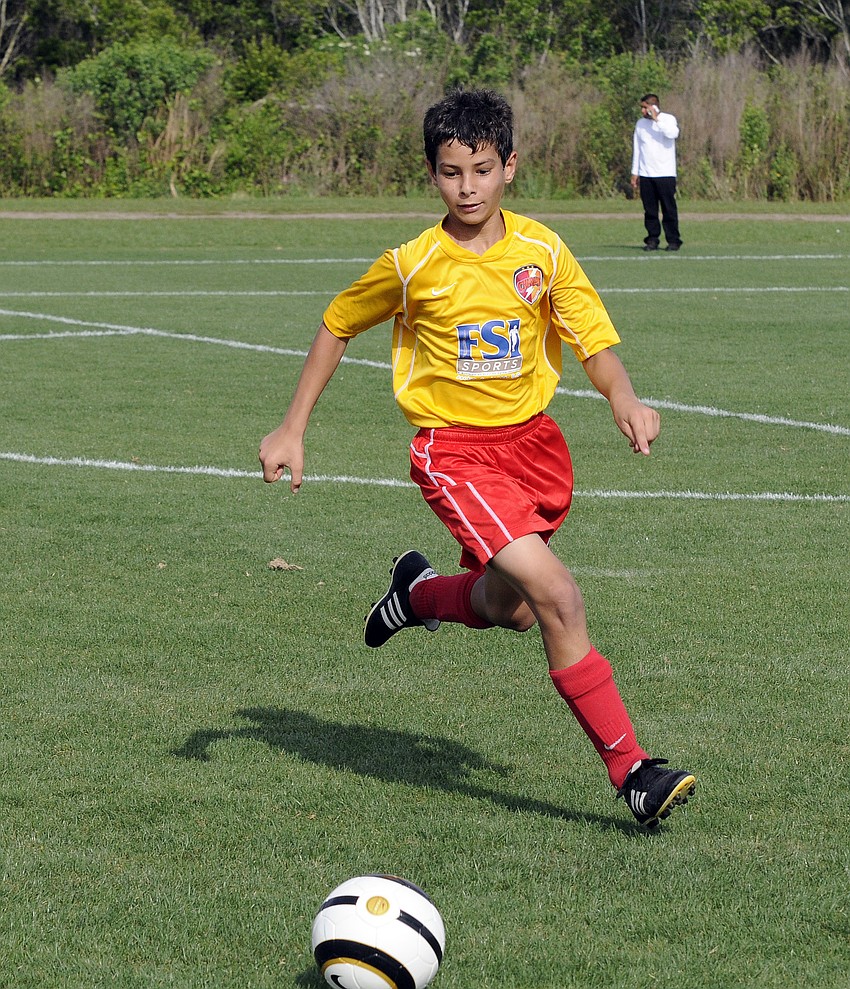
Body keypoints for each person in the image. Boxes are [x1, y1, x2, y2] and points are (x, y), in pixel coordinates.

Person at [259, 88, 696, 828]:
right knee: (559, 595)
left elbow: (592, 338)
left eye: (483, 170)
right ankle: (634, 771)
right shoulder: (412, 264)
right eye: (451, 172)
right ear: (432, 173)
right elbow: (337, 323)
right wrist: (292, 425)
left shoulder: (543, 251)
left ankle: (418, 593)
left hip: (533, 449)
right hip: (453, 452)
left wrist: (623, 397)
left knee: (514, 609)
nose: (468, 187)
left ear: (510, 167)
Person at [631, 93, 682, 251]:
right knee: (650, 210)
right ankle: (652, 240)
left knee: (668, 209)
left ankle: (673, 240)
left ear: (653, 107)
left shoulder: (667, 120)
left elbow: (672, 134)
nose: (642, 111)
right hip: (646, 174)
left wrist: (656, 119)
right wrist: (635, 172)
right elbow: (637, 149)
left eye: (645, 108)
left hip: (665, 174)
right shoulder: (640, 124)